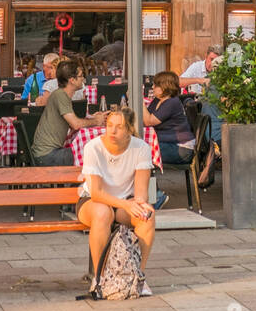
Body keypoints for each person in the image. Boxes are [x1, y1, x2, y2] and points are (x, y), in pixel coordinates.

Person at [78, 106, 155, 296]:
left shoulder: (141, 148)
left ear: (129, 129)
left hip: (124, 202)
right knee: (103, 213)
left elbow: (140, 193)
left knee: (147, 214)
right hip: (92, 201)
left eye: (119, 127)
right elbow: (96, 193)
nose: (112, 131)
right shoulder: (93, 147)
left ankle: (139, 275)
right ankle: (99, 278)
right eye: (110, 125)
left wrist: (138, 205)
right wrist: (127, 205)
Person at [31, 59, 101, 166]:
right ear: (72, 80)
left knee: (89, 150)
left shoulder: (61, 95)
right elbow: (76, 124)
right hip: (47, 156)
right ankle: (87, 182)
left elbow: (73, 123)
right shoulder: (61, 96)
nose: (83, 79)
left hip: (47, 153)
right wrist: (96, 121)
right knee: (90, 152)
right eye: (81, 76)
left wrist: (92, 119)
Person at [143, 71, 195, 165]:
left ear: (164, 87)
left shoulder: (172, 102)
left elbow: (149, 121)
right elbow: (145, 119)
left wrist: (139, 100)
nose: (152, 87)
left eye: (155, 85)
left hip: (181, 149)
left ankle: (144, 178)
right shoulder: (158, 100)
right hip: (169, 143)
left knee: (141, 152)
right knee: (137, 147)